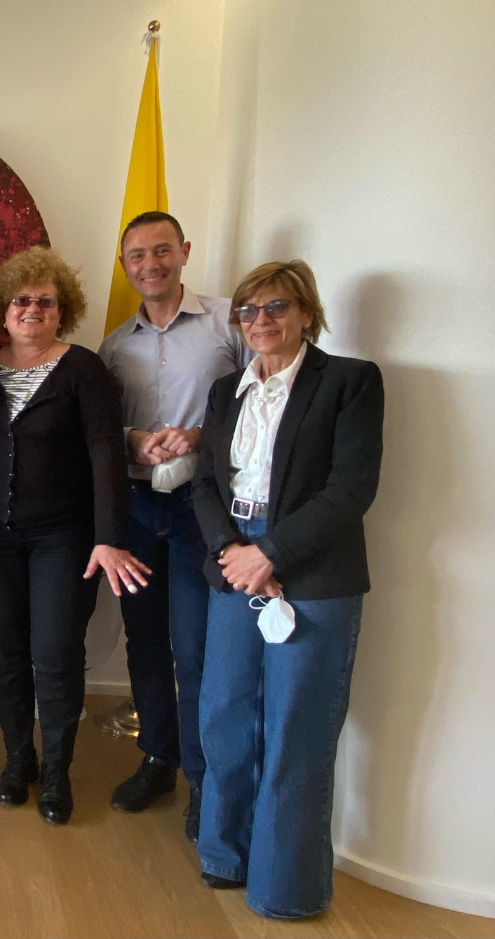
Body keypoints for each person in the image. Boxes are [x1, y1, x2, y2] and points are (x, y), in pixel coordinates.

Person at [192, 260, 383, 917]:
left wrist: (270, 553)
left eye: (276, 307)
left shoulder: (351, 382)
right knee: (224, 715)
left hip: (314, 570)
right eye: (248, 310)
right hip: (232, 559)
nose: (261, 320)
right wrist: (232, 551)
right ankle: (224, 854)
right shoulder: (227, 391)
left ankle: (286, 889)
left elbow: (350, 491)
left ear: (306, 313)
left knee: (296, 727)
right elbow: (204, 483)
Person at [0, 247, 150, 824]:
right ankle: (18, 760)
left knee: (57, 654)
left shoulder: (84, 369)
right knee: (4, 650)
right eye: (22, 299)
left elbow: (106, 453)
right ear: (3, 308)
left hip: (65, 541)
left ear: (62, 309)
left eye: (46, 301)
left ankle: (56, 772)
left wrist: (110, 536)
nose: (33, 309)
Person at [97, 211, 250, 840]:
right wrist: (134, 438)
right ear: (124, 264)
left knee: (194, 648)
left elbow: (258, 404)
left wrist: (200, 435)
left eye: (161, 251)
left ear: (184, 251)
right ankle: (158, 759)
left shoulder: (228, 325)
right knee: (145, 641)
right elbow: (102, 429)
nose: (150, 264)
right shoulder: (114, 346)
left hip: (200, 508)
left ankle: (203, 777)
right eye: (136, 255)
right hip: (138, 506)